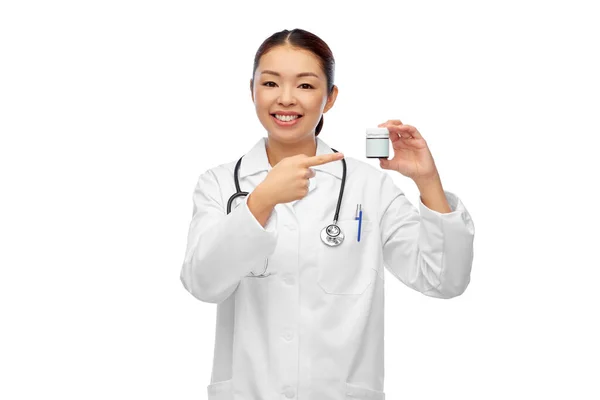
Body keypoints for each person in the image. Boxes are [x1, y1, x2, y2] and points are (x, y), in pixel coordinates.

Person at [180, 28, 475, 400]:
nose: (286, 99)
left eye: (305, 86)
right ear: (251, 89)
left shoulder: (369, 187)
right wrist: (261, 201)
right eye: (270, 83)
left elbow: (444, 280)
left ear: (330, 97)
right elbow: (202, 284)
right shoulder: (220, 184)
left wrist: (427, 181)